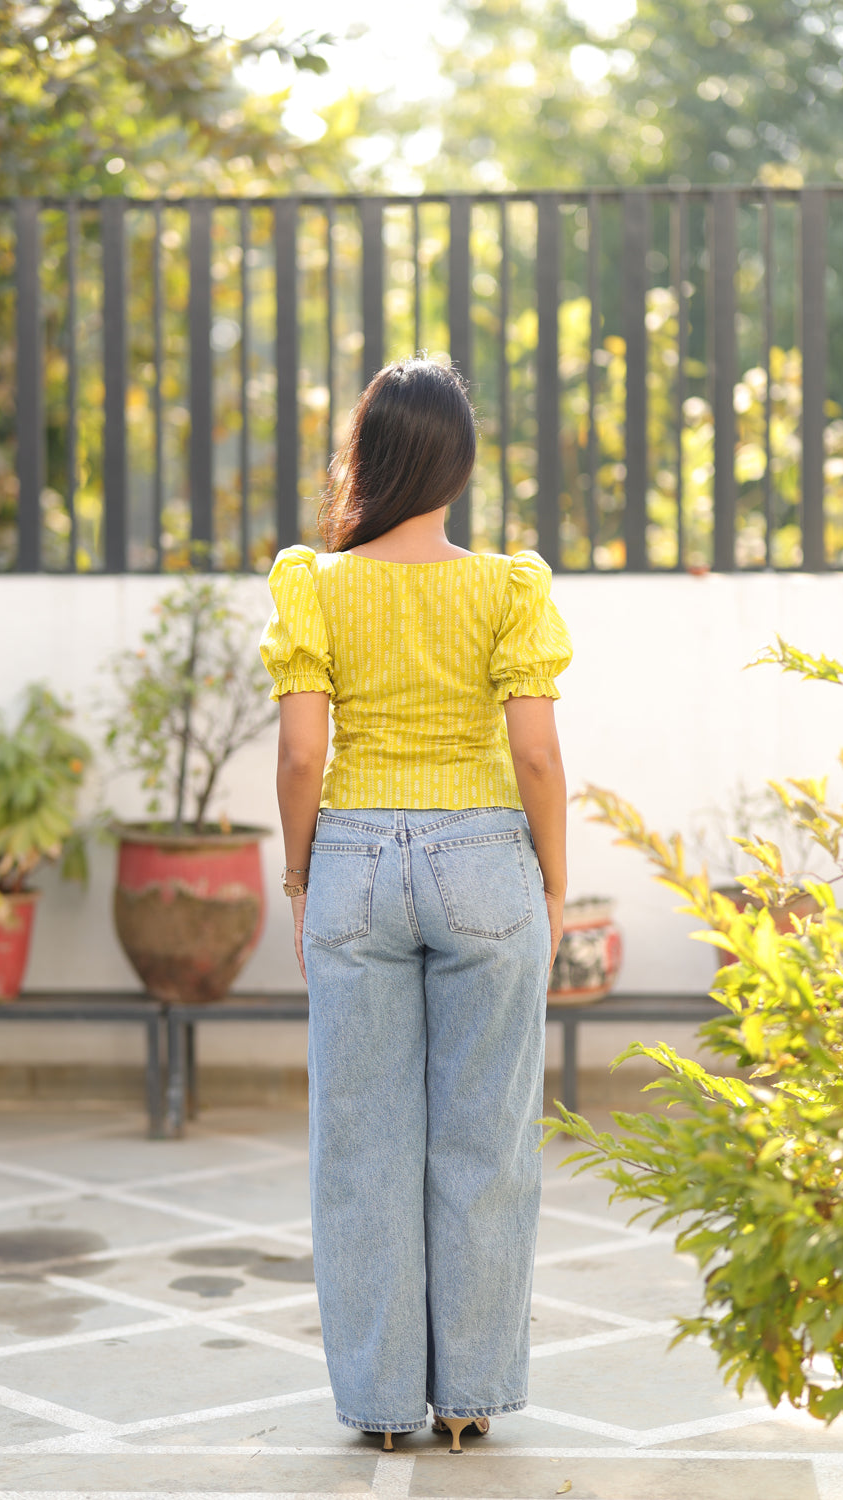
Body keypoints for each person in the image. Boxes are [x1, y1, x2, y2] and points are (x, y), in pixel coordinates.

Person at [259, 357, 572, 1455]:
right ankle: (471, 1397)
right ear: (459, 463)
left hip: (352, 857)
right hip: (485, 857)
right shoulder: (508, 585)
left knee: (362, 1145)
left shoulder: (313, 580)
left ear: (366, 459)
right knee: (485, 1137)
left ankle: (383, 1411)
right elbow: (535, 752)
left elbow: (303, 752)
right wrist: (551, 876)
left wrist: (302, 878)